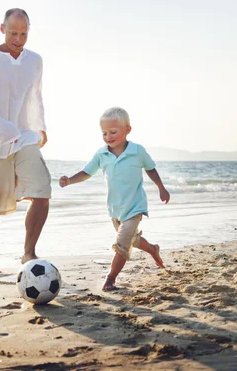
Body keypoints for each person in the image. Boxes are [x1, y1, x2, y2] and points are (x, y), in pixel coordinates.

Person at [0, 8, 51, 274]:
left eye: (23, 33)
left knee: (41, 189)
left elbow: (35, 96)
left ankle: (29, 253)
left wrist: (40, 127)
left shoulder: (35, 61)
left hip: (26, 136)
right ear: (2, 29)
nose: (18, 38)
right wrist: (3, 129)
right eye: (13, 33)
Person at [59, 107, 170, 291]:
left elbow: (150, 168)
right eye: (104, 133)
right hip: (115, 209)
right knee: (132, 240)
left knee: (122, 243)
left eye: (113, 132)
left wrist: (161, 188)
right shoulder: (101, 154)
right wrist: (70, 180)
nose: (108, 137)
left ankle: (110, 279)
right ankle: (152, 249)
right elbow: (87, 173)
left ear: (127, 130)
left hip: (135, 206)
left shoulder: (137, 151)